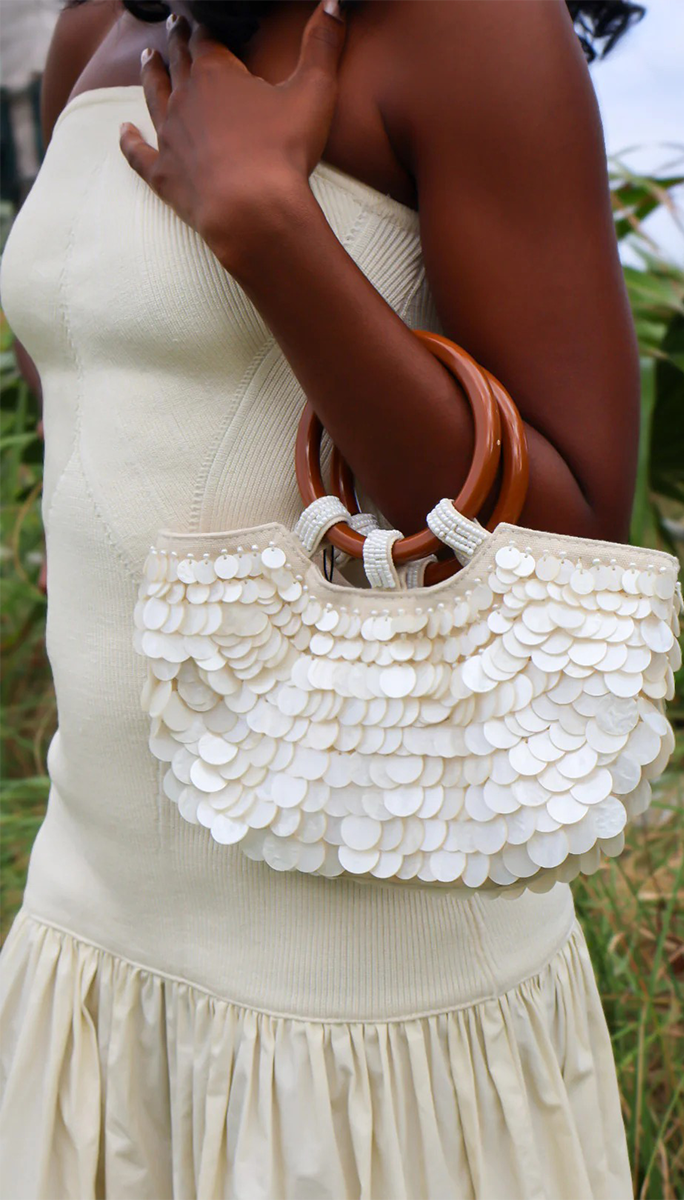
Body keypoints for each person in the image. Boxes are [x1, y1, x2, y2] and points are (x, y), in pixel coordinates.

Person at [0, 1, 646, 1195]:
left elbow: (573, 539)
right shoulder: (95, 25)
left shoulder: (471, 31)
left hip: (361, 1000)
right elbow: (95, 366)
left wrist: (271, 231)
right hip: (90, 923)